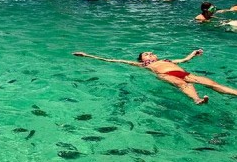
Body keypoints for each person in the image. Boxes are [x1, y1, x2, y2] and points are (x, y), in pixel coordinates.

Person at [73, 48, 237, 105]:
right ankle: (197, 100)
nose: (150, 54)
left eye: (151, 52)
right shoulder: (142, 65)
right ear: (142, 59)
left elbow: (185, 59)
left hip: (183, 72)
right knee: (183, 85)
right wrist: (87, 55)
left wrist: (194, 53)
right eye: (146, 54)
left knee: (211, 83)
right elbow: (112, 60)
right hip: (165, 75)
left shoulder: (166, 59)